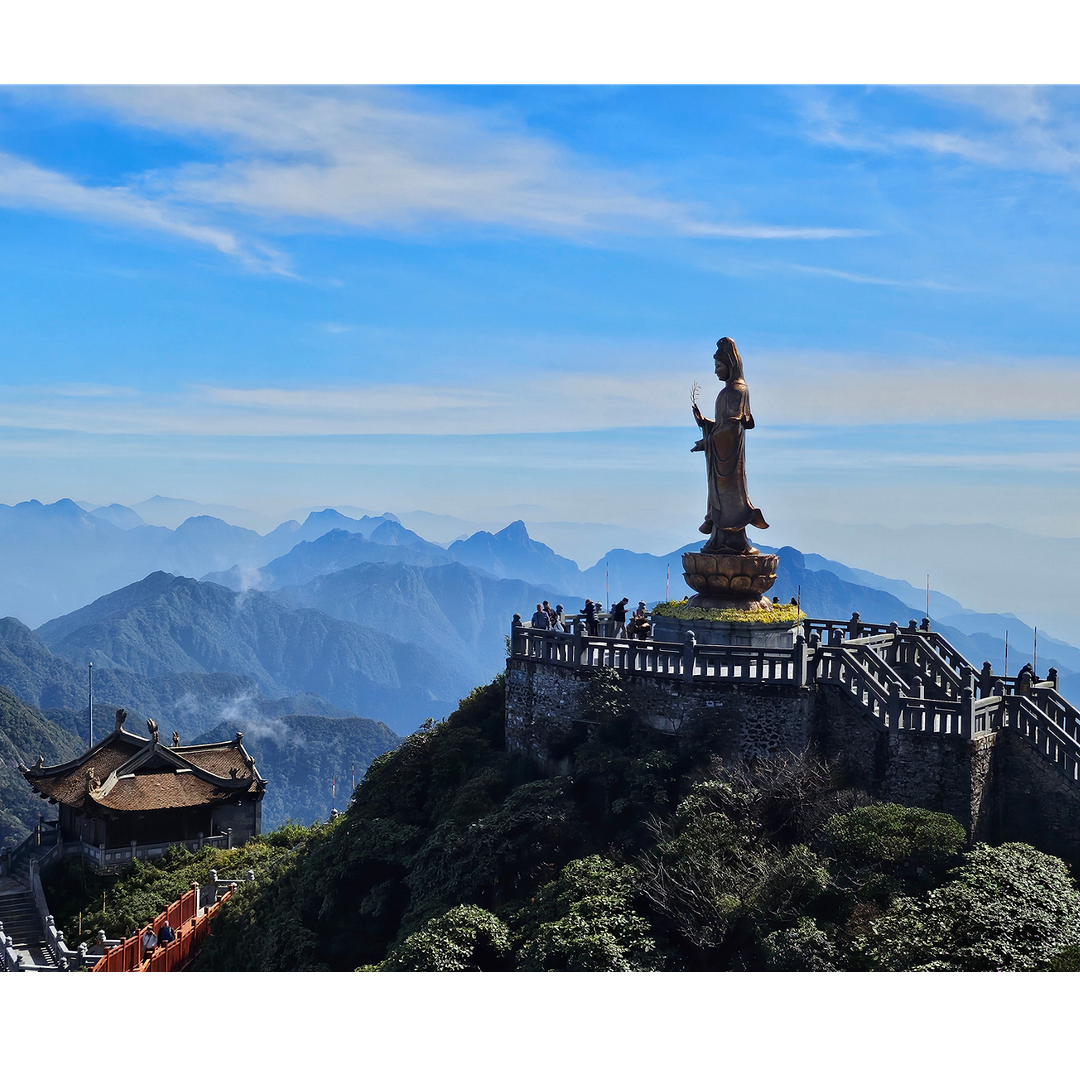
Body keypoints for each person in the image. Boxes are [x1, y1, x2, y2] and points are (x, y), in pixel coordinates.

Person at [692, 338, 769, 554]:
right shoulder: (727, 393)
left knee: (731, 498)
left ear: (730, 365)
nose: (716, 372)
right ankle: (718, 537)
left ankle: (732, 541)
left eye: (719, 367)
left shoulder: (737, 391)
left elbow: (733, 429)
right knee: (718, 496)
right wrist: (705, 423)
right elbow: (723, 425)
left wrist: (707, 441)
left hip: (730, 460)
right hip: (721, 460)